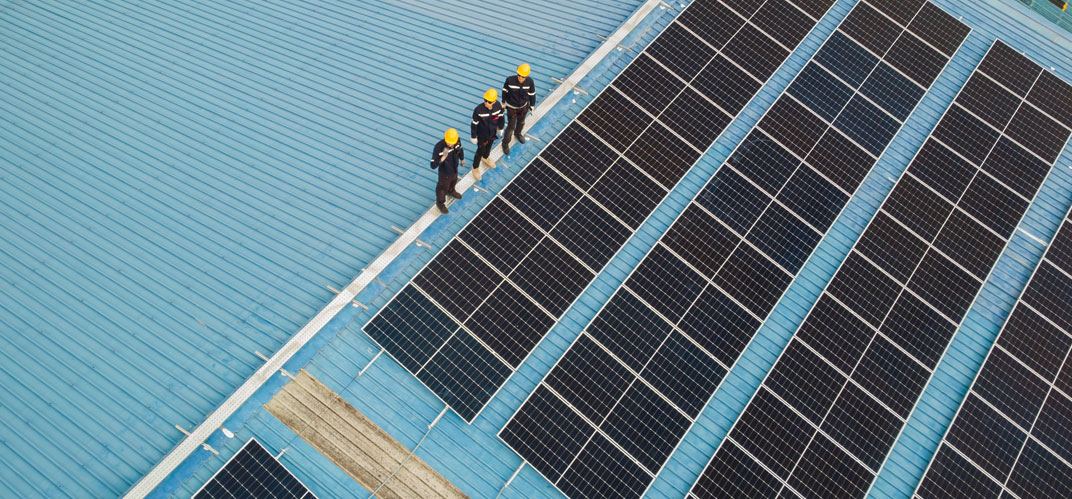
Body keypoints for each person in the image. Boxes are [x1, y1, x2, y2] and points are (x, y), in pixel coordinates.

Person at [501, 63, 535, 155]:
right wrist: (503, 103)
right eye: (519, 75)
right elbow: (504, 91)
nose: (520, 77)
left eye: (523, 76)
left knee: (521, 122)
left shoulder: (530, 82)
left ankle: (518, 133)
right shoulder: (509, 80)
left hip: (523, 107)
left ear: (526, 76)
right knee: (511, 127)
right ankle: (505, 143)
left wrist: (532, 106)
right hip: (512, 108)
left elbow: (532, 94)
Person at [431, 128, 464, 214]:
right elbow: (433, 165)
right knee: (442, 189)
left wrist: (462, 159)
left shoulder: (457, 141)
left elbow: (460, 150)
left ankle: (451, 191)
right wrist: (441, 159)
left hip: (454, 168)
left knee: (453, 181)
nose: (450, 144)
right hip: (444, 173)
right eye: (448, 142)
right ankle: (440, 203)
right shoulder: (439, 147)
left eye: (452, 142)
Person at [471, 88, 504, 171]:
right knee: (480, 151)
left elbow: (501, 118)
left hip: (492, 133)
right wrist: (473, 136)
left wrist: (500, 128)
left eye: (489, 102)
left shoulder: (498, 106)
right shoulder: (478, 110)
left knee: (489, 147)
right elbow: (474, 124)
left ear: (494, 101)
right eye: (485, 100)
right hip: (482, 135)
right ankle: (475, 167)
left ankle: (485, 158)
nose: (486, 103)